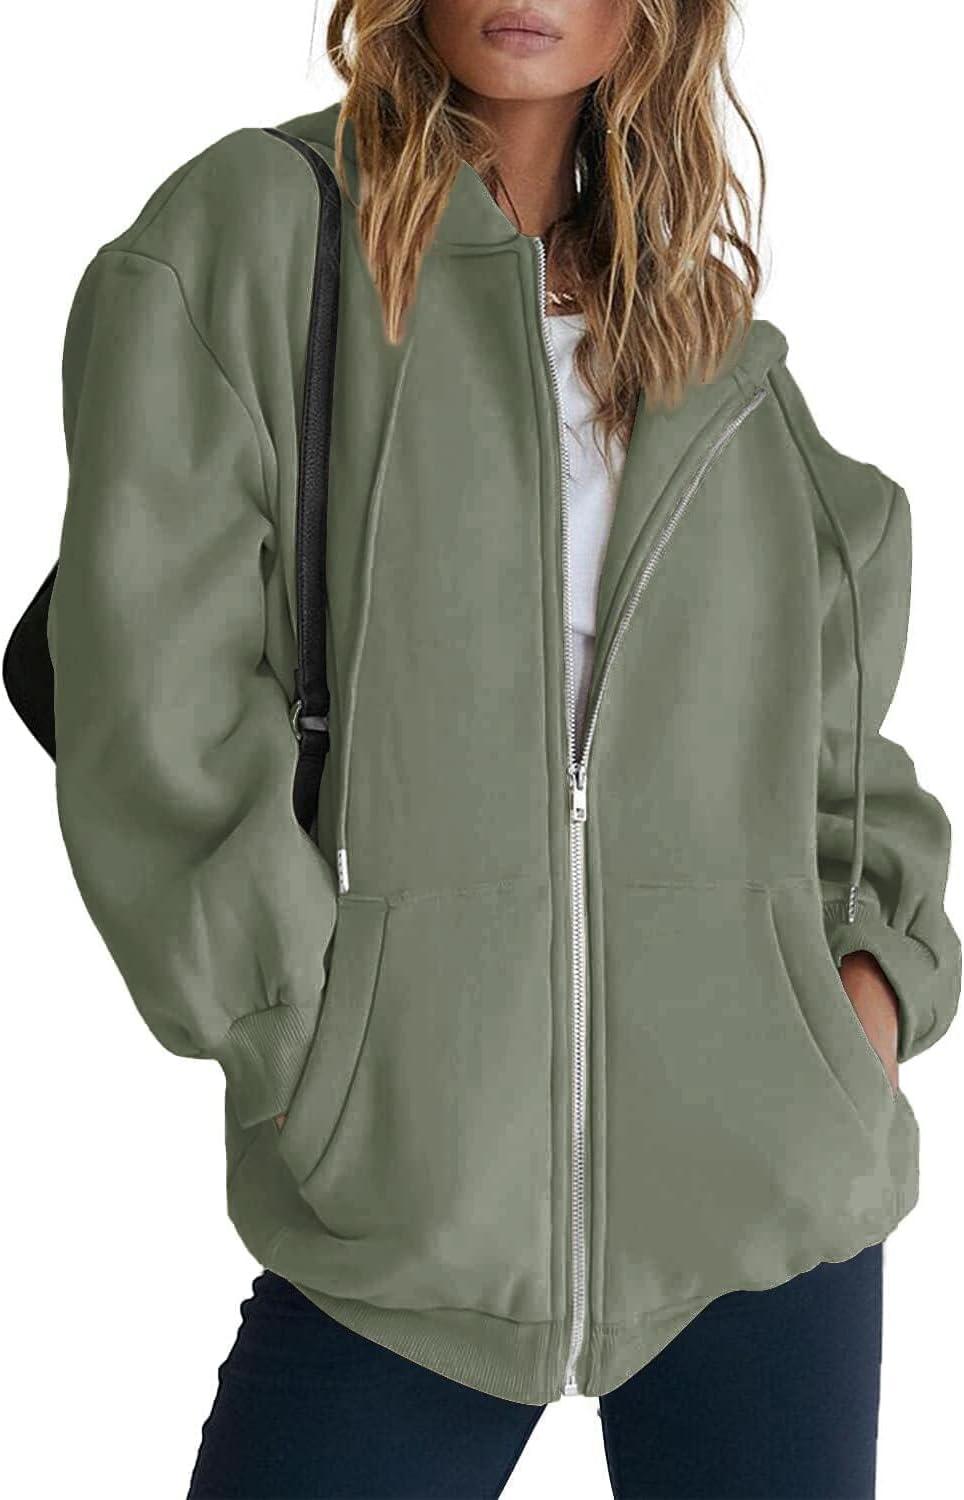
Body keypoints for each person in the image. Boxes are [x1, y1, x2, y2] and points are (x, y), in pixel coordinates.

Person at [47, 3, 960, 1497]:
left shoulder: (699, 330)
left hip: (764, 1210)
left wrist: (860, 997)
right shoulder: (255, 242)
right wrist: (304, 1055)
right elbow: (150, 697)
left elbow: (840, 723)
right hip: (401, 1204)